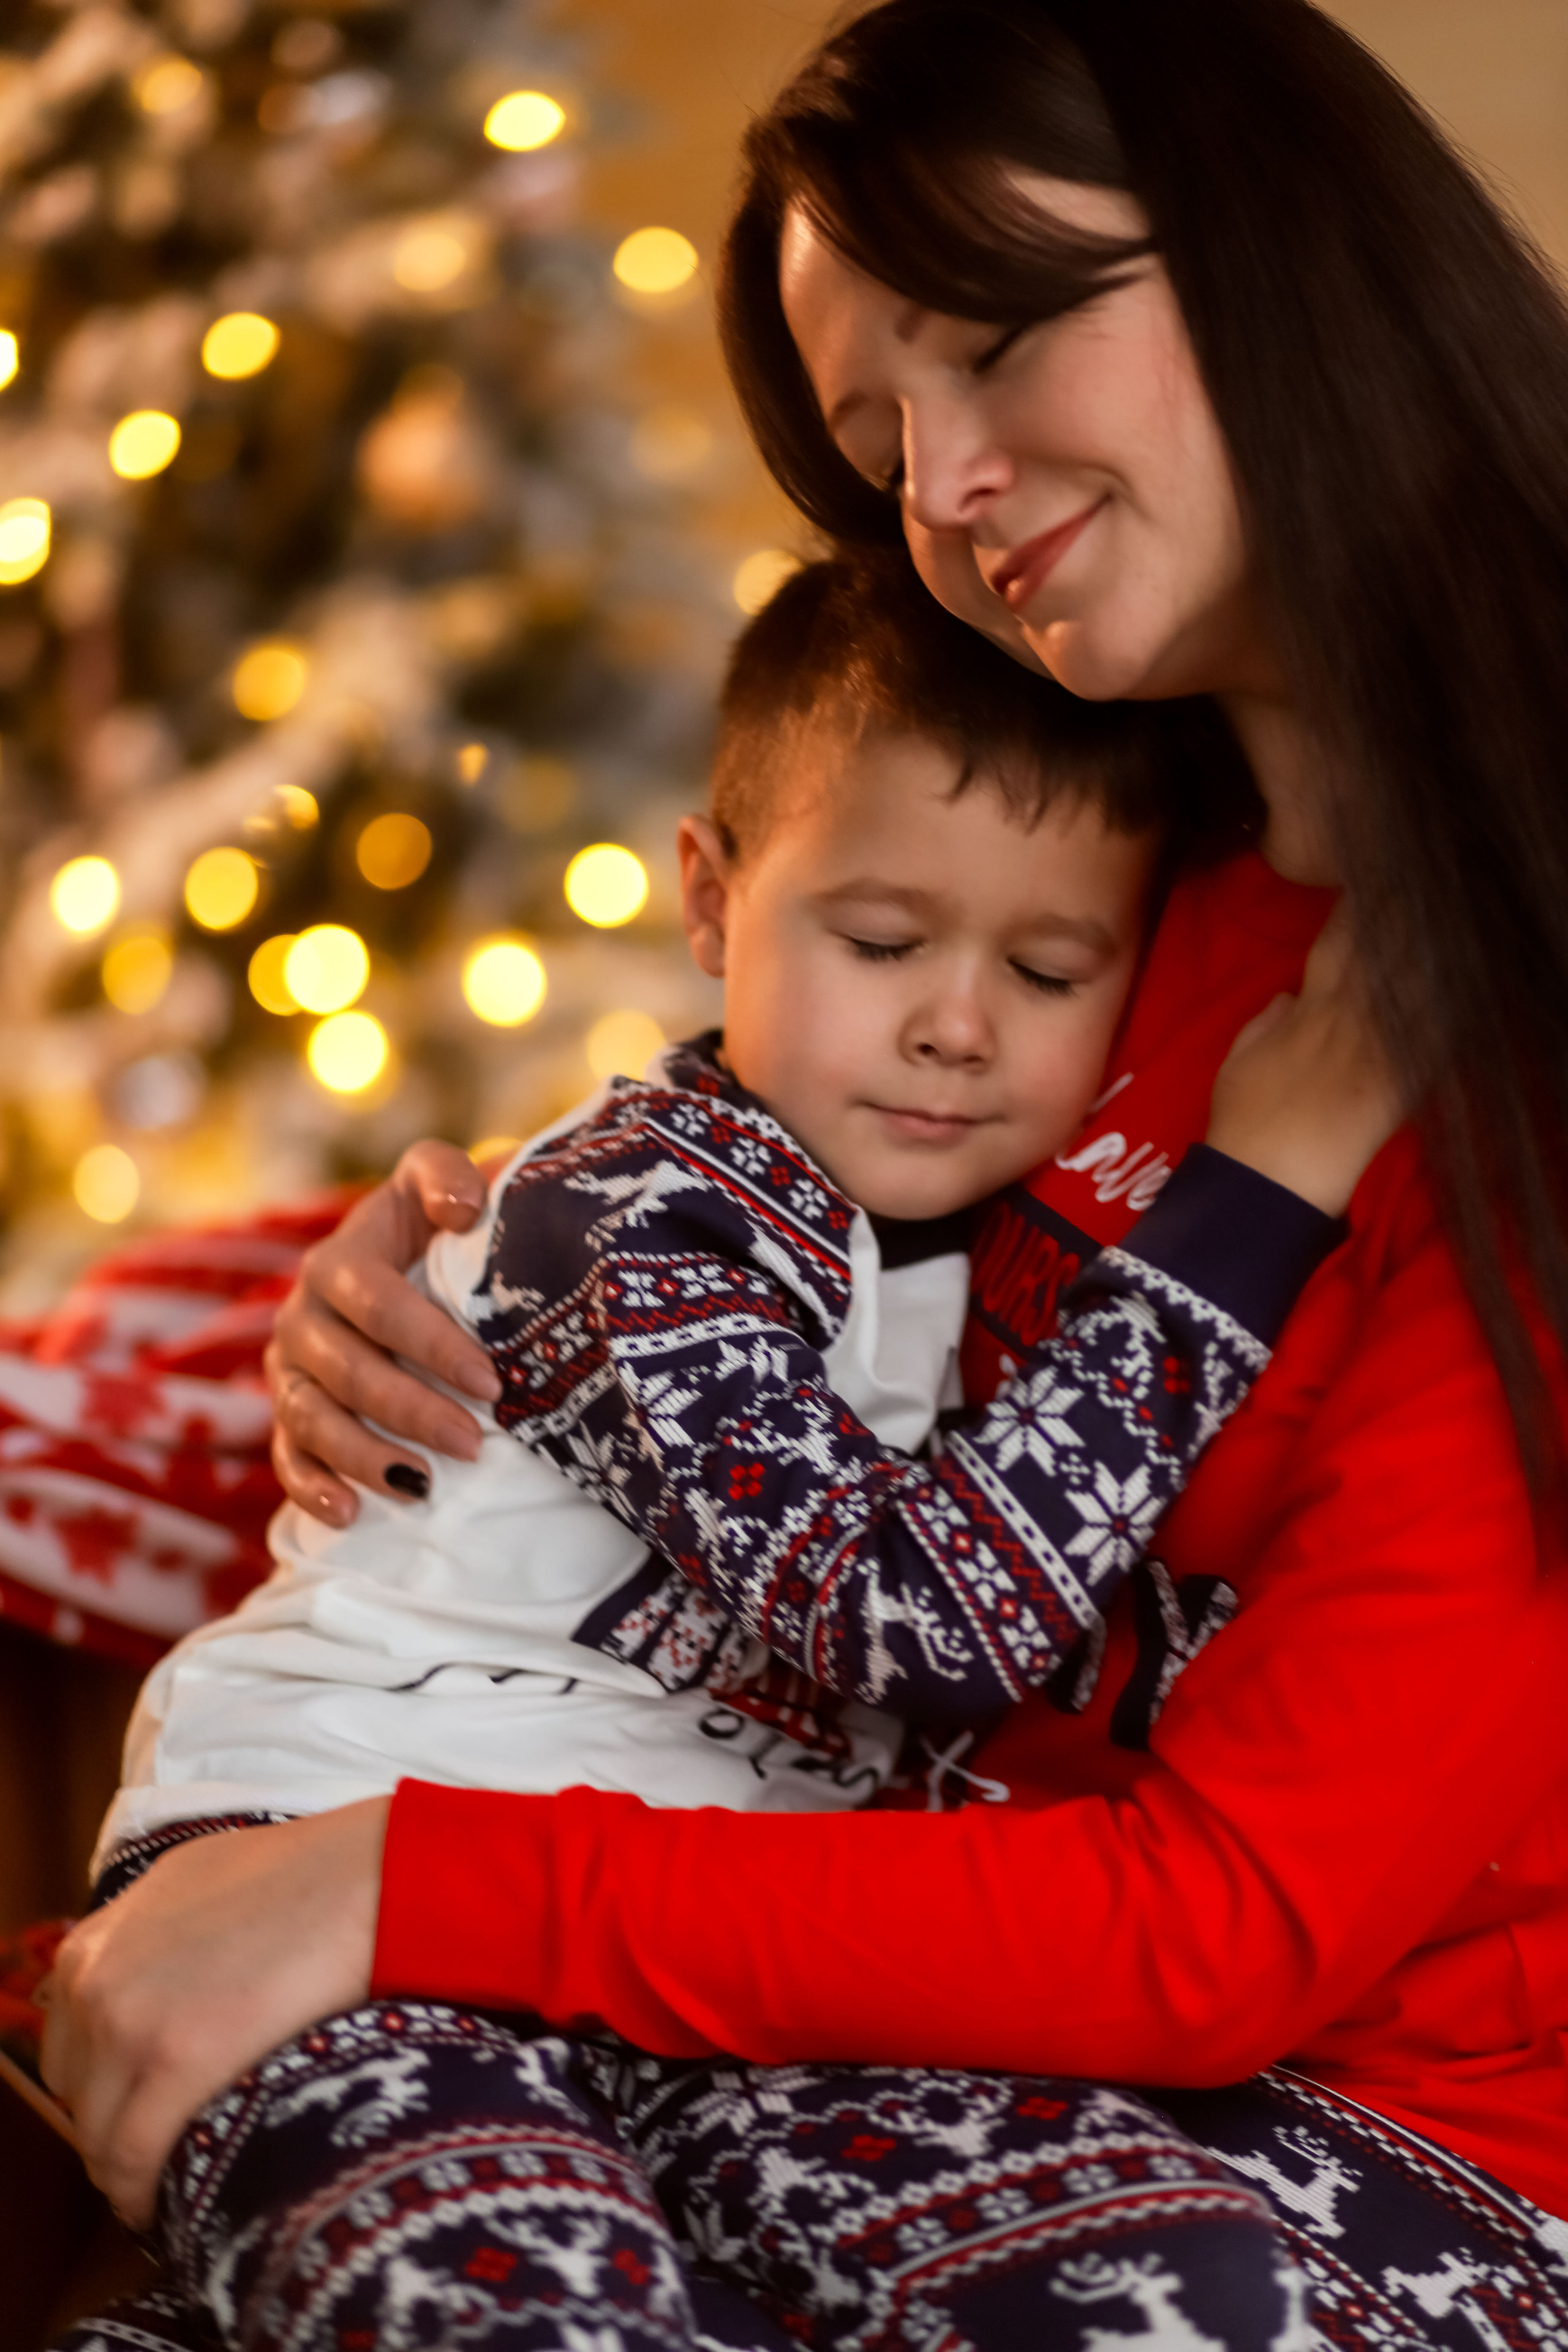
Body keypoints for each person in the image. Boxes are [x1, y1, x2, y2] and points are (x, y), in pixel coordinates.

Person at [42, 0, 1568, 2345]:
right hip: (866, 1957)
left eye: (994, 337)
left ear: (1275, 242)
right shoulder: (1113, 870)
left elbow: (1227, 1922)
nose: (942, 483)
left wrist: (400, 1888)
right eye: (875, 436)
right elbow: (809, 1176)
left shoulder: (1499, 992)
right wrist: (460, 1277)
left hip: (1355, 2121)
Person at [69, 551, 1375, 2351]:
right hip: (322, 1881)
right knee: (528, 2308)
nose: (956, 1024)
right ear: (712, 894)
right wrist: (1250, 1209)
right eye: (882, 941)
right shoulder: (638, 1224)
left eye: (1049, 967)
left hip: (680, 1947)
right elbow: (911, 1624)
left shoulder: (970, 1221)